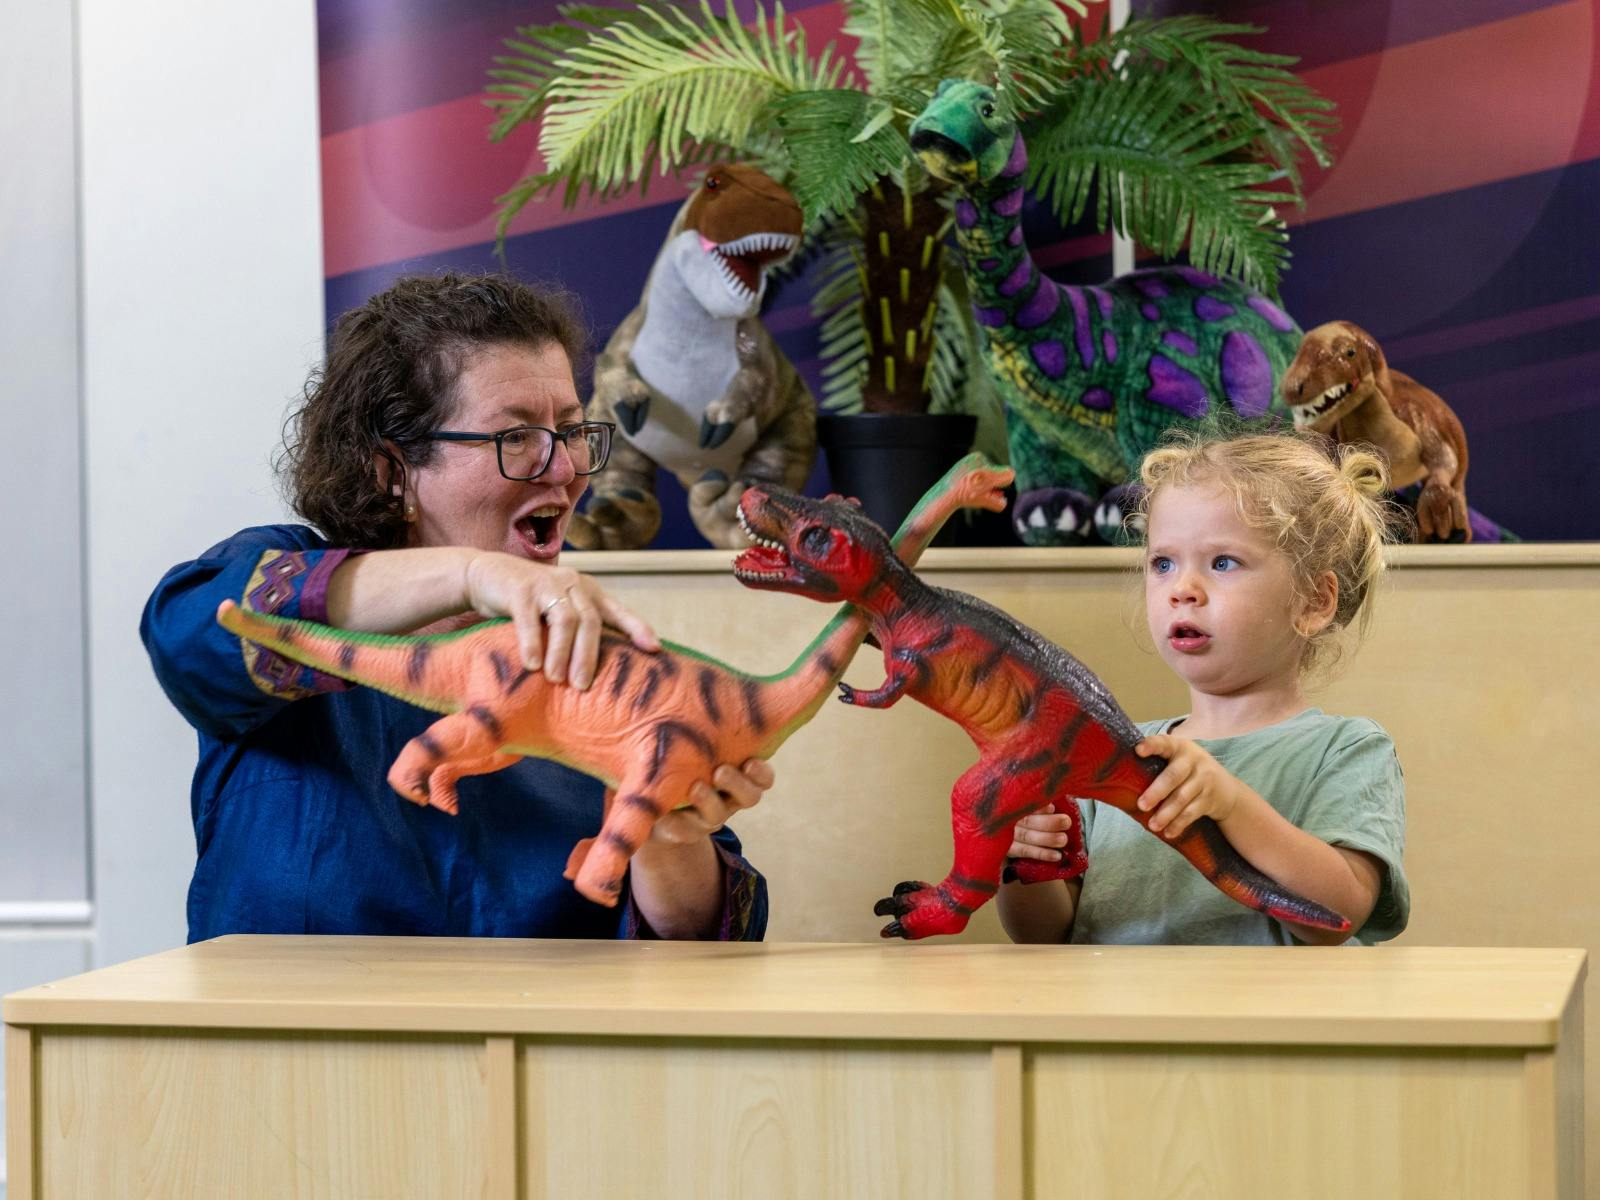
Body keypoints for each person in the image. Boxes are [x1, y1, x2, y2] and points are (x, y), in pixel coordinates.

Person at [142, 271, 772, 943]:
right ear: (392, 472)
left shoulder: (598, 665)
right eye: (515, 437)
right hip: (296, 1015)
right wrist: (472, 574)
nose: (564, 470)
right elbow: (193, 632)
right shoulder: (283, 575)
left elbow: (705, 945)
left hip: (542, 1017)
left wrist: (667, 840)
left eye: (570, 430)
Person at [998, 432, 1409, 946]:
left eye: (1222, 562)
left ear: (1313, 601)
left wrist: (1230, 806)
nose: (1182, 589)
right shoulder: (1113, 753)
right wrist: (1026, 863)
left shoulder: (1347, 750)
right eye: (1163, 563)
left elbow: (1340, 913)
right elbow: (1047, 934)